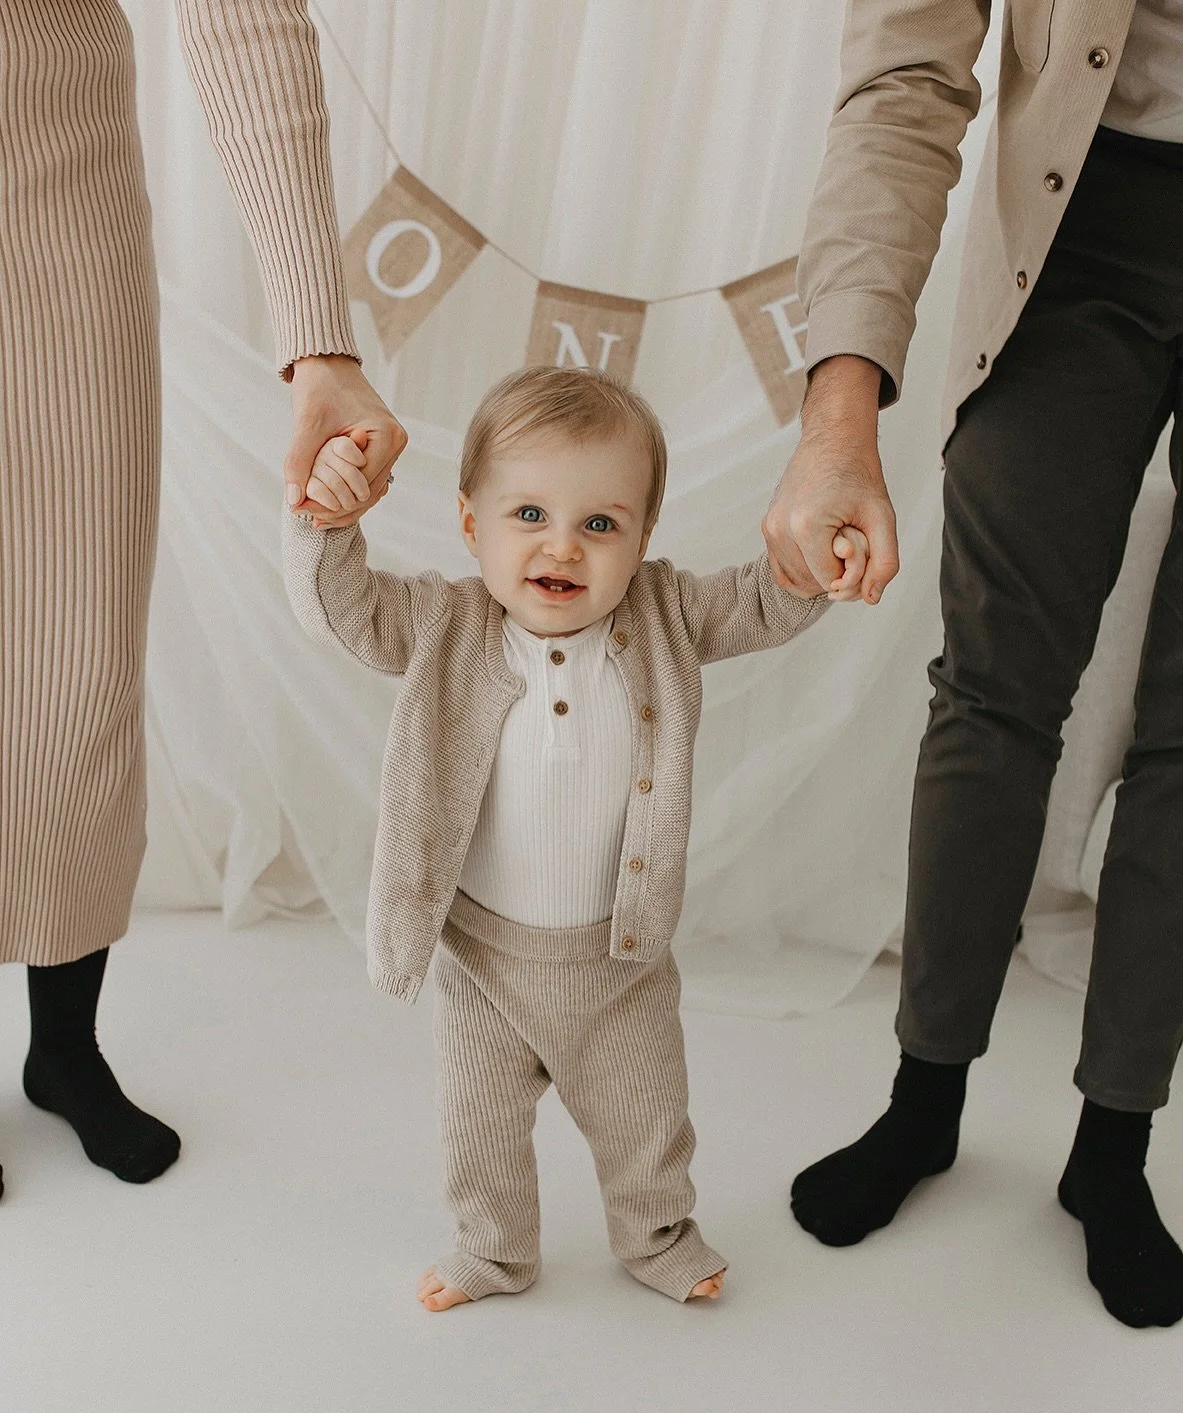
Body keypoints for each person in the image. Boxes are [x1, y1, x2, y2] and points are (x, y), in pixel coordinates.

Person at [761, 0, 1183, 1328]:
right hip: (1079, 227)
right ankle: (922, 1098)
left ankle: (1109, 1146)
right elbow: (900, 78)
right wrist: (838, 409)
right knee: (993, 689)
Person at [284, 366, 868, 1309]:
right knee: (479, 1128)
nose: (562, 545)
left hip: (619, 960)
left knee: (648, 1122)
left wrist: (814, 553)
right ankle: (493, 1248)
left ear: (641, 539)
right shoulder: (441, 624)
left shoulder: (668, 614)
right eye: (527, 515)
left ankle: (655, 1235)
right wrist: (326, 521)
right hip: (483, 959)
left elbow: (766, 599)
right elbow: (336, 611)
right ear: (471, 524)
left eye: (600, 524)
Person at [0, 0, 403, 1198]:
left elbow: (245, 24)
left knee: (74, 667)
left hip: (60, 214)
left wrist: (317, 340)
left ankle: (64, 1050)